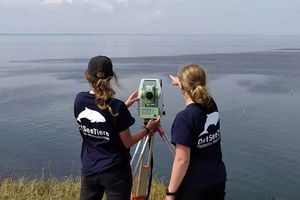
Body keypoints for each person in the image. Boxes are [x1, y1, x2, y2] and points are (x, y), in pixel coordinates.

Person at [73, 55, 160, 200]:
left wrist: (126, 105)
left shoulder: (79, 100)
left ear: (88, 76)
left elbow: (102, 118)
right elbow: (128, 142)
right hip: (115, 172)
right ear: (111, 77)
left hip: (90, 169)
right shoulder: (116, 106)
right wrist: (147, 129)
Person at [166, 64, 226, 200]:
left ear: (182, 87)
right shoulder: (211, 105)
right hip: (217, 180)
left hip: (194, 187)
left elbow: (182, 160)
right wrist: (180, 81)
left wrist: (170, 194)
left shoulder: (184, 118)